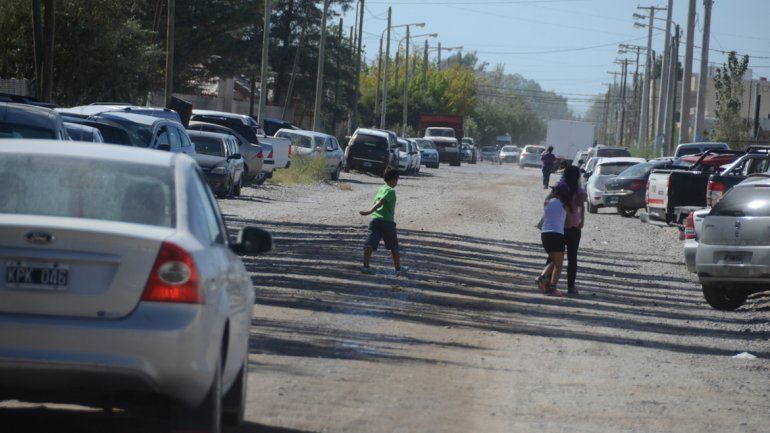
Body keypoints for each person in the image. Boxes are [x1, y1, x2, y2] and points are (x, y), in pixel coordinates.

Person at [544, 166, 586, 295]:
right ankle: (571, 287)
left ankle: (547, 283)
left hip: (559, 226)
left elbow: (548, 199)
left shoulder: (559, 186)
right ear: (577, 176)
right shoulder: (580, 191)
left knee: (553, 257)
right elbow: (581, 207)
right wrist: (581, 221)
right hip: (574, 226)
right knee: (572, 257)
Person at [359, 169, 409, 275]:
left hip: (375, 220)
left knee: (369, 244)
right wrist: (369, 211)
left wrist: (371, 213)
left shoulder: (381, 188)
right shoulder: (390, 191)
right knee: (394, 246)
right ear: (392, 180)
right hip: (387, 222)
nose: (397, 182)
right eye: (396, 179)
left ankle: (366, 267)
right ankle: (398, 268)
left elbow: (378, 201)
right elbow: (380, 202)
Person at [536, 182, 572, 296]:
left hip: (545, 234)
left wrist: (552, 192)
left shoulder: (546, 202)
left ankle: (541, 278)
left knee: (553, 260)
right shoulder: (566, 205)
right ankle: (552, 288)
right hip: (557, 234)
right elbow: (569, 224)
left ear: (554, 192)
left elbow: (549, 198)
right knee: (559, 265)